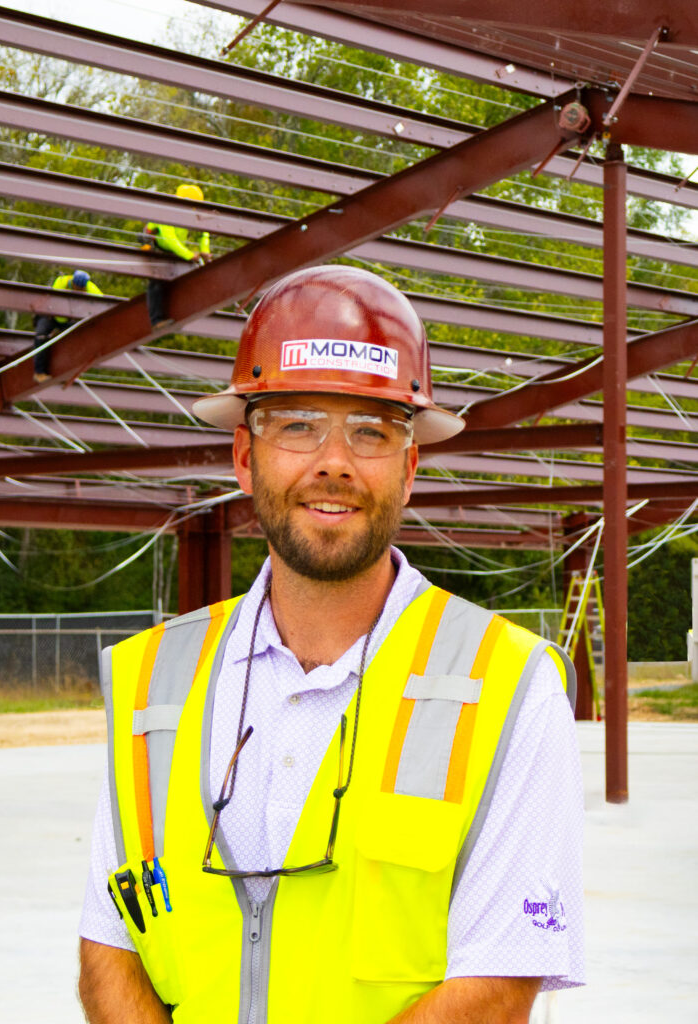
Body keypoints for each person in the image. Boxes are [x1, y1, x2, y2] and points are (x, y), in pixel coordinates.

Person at [78, 265, 584, 1024]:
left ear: (409, 469)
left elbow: (496, 986)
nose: (334, 461)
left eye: (371, 431)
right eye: (297, 424)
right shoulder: (157, 678)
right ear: (245, 458)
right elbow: (109, 949)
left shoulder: (507, 684)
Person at [142, 183, 210, 329]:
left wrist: (204, 250)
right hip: (157, 247)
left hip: (174, 250)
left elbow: (203, 233)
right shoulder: (167, 211)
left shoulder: (193, 212)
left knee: (178, 280)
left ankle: (176, 315)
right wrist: (189, 255)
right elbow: (169, 239)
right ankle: (157, 320)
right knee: (157, 282)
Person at [33, 269, 103, 382]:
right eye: (76, 287)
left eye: (81, 289)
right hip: (51, 315)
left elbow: (102, 304)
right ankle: (39, 372)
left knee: (78, 338)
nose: (78, 290)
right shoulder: (61, 282)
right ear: (73, 283)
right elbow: (53, 302)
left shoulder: (91, 288)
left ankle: (70, 371)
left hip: (69, 319)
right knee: (41, 335)